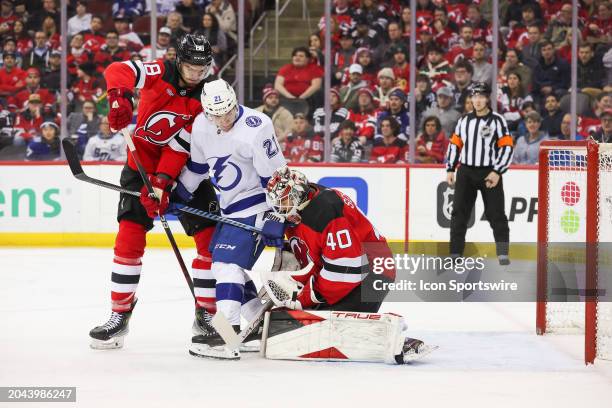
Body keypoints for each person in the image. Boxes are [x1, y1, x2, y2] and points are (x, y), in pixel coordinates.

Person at [88, 34, 219, 350]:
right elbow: (118, 69)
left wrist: (162, 183)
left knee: (210, 241)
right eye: (191, 66)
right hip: (139, 167)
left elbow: (183, 145)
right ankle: (120, 313)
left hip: (189, 171)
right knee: (129, 236)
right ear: (178, 60)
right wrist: (119, 97)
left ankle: (208, 314)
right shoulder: (158, 71)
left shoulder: (209, 95)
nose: (197, 74)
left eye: (202, 68)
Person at [262, 166, 430, 363]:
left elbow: (347, 269)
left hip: (372, 273)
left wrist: (304, 298)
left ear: (298, 193)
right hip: (344, 271)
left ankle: (394, 337)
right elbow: (318, 256)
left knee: (329, 331)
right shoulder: (303, 204)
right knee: (299, 323)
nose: (280, 209)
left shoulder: (325, 209)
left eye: (284, 202)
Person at [174, 79, 287, 360]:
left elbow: (276, 177)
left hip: (258, 205)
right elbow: (198, 168)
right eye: (216, 115)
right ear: (206, 112)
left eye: (228, 112)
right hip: (230, 211)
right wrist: (176, 193)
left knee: (225, 265)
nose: (223, 120)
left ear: (235, 102)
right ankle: (263, 328)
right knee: (226, 267)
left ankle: (226, 335)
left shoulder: (256, 126)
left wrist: (276, 214)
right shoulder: (201, 125)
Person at [445, 82, 514, 265]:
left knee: (496, 213)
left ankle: (502, 253)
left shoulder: (498, 121)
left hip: (489, 172)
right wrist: (451, 168)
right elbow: (455, 145)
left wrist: (497, 171)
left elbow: (506, 147)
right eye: (474, 96)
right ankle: (455, 253)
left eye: (481, 96)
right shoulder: (464, 120)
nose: (477, 100)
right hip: (466, 171)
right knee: (459, 212)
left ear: (488, 98)